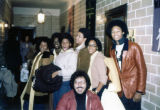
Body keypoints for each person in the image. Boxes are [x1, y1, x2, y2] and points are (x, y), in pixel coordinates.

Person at [106, 20, 147, 110]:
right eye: (113, 32)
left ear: (123, 32)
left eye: (118, 31)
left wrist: (139, 91)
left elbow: (142, 70)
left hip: (132, 89)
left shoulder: (134, 47)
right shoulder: (112, 49)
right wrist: (109, 81)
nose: (115, 33)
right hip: (119, 89)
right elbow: (113, 67)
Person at [21, 37, 54, 110]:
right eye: (41, 45)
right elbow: (28, 58)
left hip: (39, 88)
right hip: (31, 85)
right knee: (26, 105)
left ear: (48, 46)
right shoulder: (38, 54)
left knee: (38, 106)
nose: (42, 46)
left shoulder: (49, 55)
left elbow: (44, 66)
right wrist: (31, 49)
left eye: (45, 45)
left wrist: (46, 53)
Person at [53, 33, 77, 108]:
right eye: (63, 42)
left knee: (63, 106)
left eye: (66, 42)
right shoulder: (61, 53)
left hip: (65, 84)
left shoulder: (72, 54)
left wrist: (58, 72)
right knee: (56, 105)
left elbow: (72, 71)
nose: (64, 44)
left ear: (70, 44)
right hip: (57, 83)